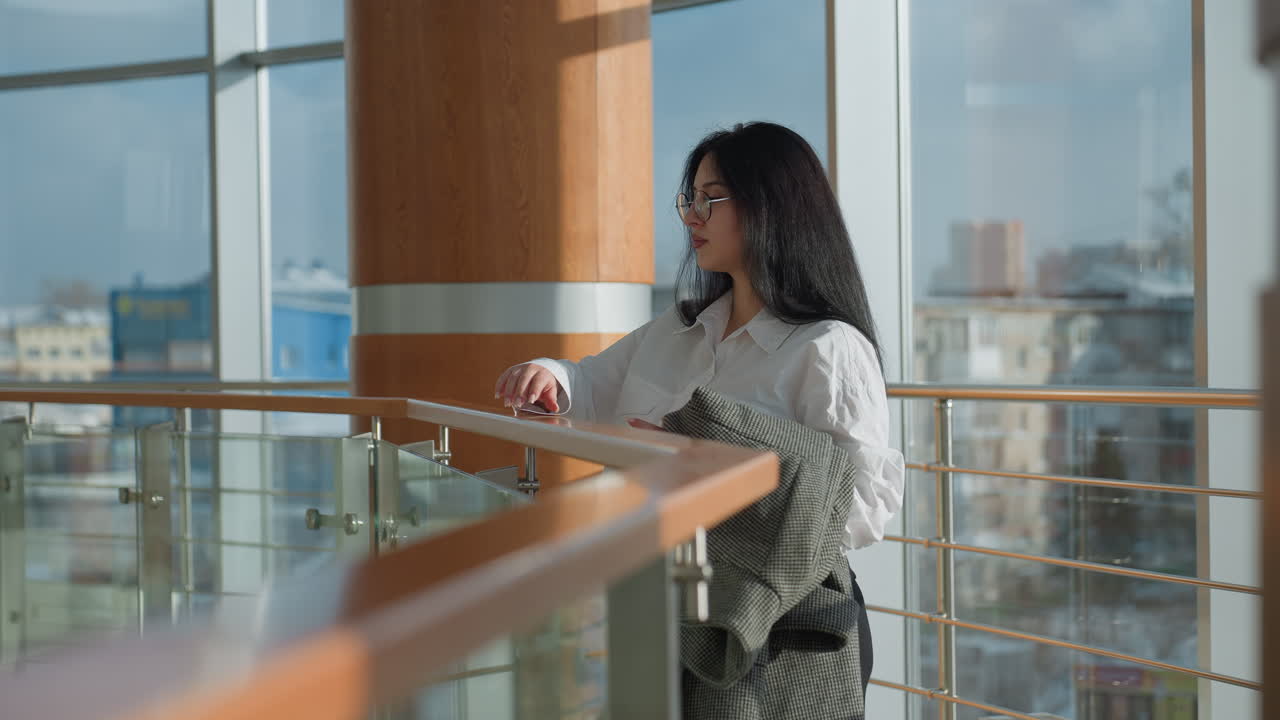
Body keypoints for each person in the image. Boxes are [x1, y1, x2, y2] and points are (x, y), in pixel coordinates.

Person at [494, 120, 903, 552]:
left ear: (769, 206)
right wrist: (551, 376)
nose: (691, 217)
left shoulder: (829, 347)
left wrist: (713, 472)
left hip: (747, 591)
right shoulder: (679, 326)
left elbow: (866, 506)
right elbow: (592, 385)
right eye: (691, 200)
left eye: (710, 200)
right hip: (651, 573)